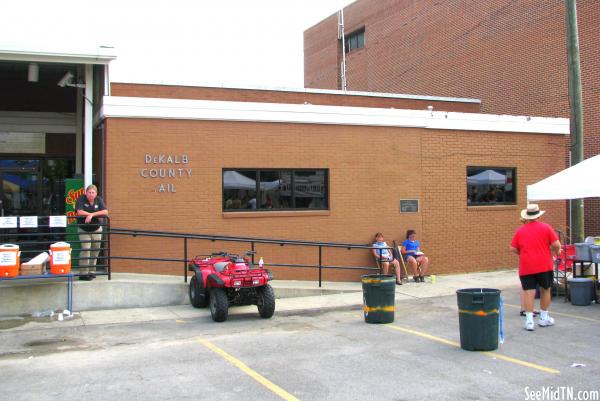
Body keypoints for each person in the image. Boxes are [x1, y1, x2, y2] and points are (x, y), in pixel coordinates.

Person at [510, 204, 561, 331]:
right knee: (545, 290)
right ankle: (544, 318)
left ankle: (529, 321)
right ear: (538, 215)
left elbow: (512, 248)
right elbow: (556, 244)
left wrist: (523, 254)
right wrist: (557, 252)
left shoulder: (520, 230)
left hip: (526, 266)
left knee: (529, 292)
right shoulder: (546, 227)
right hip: (544, 265)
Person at [76, 184, 109, 280]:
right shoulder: (81, 199)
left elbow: (105, 212)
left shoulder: (99, 200)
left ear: (96, 193)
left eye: (93, 192)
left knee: (95, 250)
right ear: (86, 193)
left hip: (97, 229)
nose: (91, 194)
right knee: (86, 249)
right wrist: (91, 215)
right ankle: (83, 273)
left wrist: (91, 215)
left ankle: (91, 271)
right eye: (89, 192)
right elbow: (79, 212)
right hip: (84, 229)